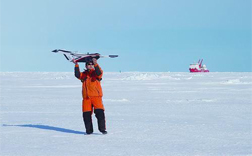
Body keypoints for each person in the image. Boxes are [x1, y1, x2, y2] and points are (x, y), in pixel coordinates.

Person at [74, 58, 107, 135]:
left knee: (100, 114)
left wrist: (96, 63)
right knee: (86, 115)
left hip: (96, 97)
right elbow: (77, 75)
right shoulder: (83, 75)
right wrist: (76, 65)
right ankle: (89, 131)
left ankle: (102, 129)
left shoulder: (96, 73)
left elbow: (99, 73)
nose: (90, 65)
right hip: (86, 98)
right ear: (86, 66)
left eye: (91, 64)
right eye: (89, 64)